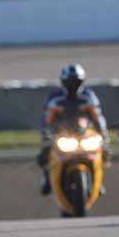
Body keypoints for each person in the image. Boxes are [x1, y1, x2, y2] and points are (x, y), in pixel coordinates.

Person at [37, 64, 110, 195]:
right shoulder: (54, 98)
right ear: (63, 82)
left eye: (76, 82)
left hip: (83, 133)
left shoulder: (88, 96)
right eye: (70, 82)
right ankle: (47, 179)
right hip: (61, 134)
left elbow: (98, 118)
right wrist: (46, 136)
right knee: (46, 153)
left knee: (102, 152)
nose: (73, 85)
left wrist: (103, 136)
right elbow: (46, 120)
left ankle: (98, 181)